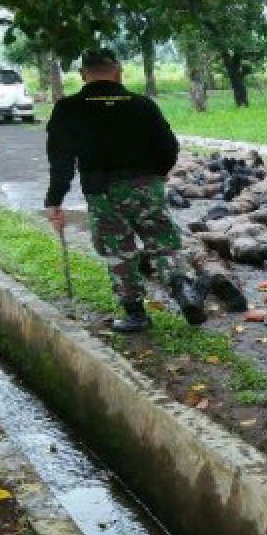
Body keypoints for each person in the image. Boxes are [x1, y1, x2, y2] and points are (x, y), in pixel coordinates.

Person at [44, 48, 205, 332]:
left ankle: (135, 314)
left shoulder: (68, 109)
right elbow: (170, 147)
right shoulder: (142, 105)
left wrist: (54, 200)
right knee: (163, 240)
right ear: (118, 72)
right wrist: (157, 176)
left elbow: (61, 162)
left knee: (119, 251)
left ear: (83, 75)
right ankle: (183, 287)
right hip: (147, 186)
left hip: (102, 191)